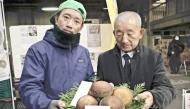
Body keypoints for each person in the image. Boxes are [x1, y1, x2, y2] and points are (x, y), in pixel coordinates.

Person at [19, 0, 95, 109]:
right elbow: (29, 87)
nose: (69, 24)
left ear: (81, 27)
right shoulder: (38, 50)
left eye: (76, 21)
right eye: (66, 17)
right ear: (56, 19)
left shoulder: (83, 53)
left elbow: (89, 81)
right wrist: (47, 104)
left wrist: (101, 88)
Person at [97, 11, 176, 109]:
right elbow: (98, 89)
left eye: (130, 34)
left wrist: (153, 97)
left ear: (140, 33)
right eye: (119, 34)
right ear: (114, 33)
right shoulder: (104, 59)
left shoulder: (154, 57)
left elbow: (167, 89)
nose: (124, 40)